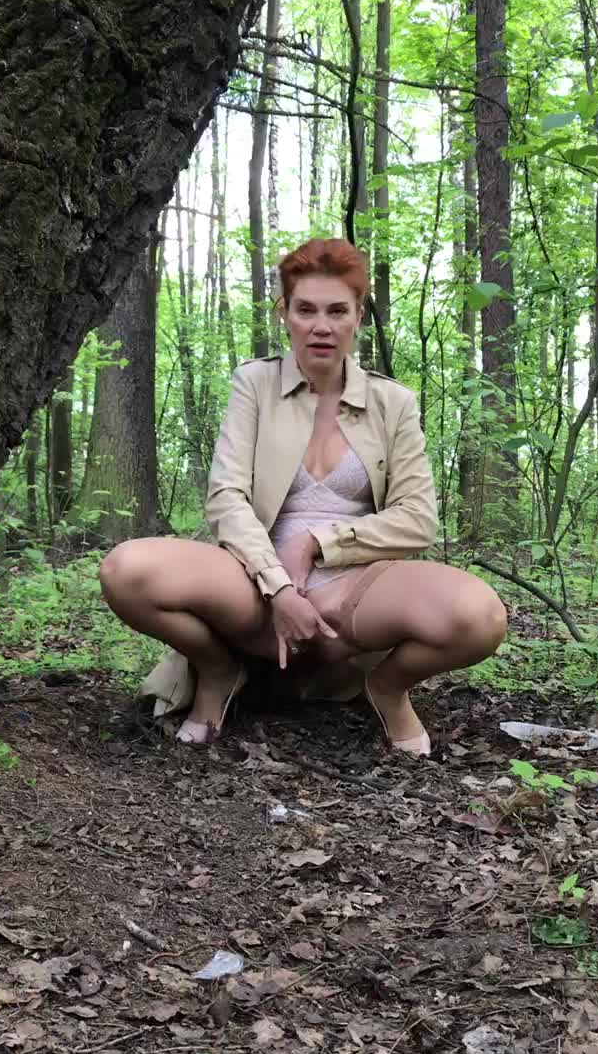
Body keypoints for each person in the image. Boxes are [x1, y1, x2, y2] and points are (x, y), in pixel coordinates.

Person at [99, 238, 507, 757]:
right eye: (306, 310)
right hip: (251, 581)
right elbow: (227, 498)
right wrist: (278, 587)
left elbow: (418, 518)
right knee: (126, 570)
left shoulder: (393, 402)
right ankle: (218, 670)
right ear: (285, 314)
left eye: (337, 311)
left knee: (481, 616)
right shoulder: (255, 384)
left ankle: (386, 689)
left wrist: (318, 542)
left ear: (358, 316)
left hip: (355, 588)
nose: (321, 326)